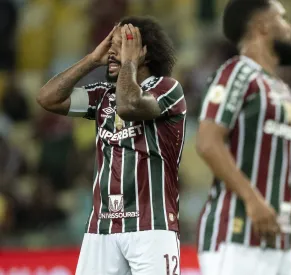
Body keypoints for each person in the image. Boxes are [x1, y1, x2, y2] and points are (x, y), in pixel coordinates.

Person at [37, 16, 186, 275]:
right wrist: (91, 60)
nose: (112, 52)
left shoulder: (167, 90)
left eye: (121, 44)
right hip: (102, 228)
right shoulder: (103, 96)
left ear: (145, 52)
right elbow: (47, 98)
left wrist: (128, 61)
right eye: (110, 45)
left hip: (152, 227)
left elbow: (130, 106)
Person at [195, 0, 291, 274]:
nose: (290, 27)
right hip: (236, 237)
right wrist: (254, 200)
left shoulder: (282, 90)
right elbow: (208, 142)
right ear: (262, 25)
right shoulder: (237, 73)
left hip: (278, 241)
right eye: (283, 18)